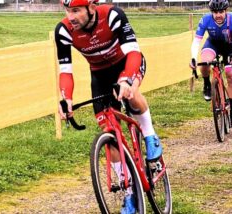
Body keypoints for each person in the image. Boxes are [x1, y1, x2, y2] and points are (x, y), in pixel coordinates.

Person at [54, 0, 162, 212]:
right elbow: (65, 71)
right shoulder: (64, 30)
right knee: (109, 131)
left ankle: (150, 135)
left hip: (128, 64)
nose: (71, 16)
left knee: (131, 95)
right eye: (67, 11)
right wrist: (66, 97)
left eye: (75, 10)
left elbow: (133, 52)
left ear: (91, 7)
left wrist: (127, 80)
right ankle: (131, 192)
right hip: (100, 75)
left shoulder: (113, 15)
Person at [189, 0, 232, 129]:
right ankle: (207, 84)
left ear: (226, 11)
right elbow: (197, 41)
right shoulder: (205, 20)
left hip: (231, 47)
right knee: (204, 62)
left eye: (221, 12)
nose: (218, 15)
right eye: (215, 12)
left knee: (231, 77)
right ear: (211, 12)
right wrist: (193, 57)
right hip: (213, 44)